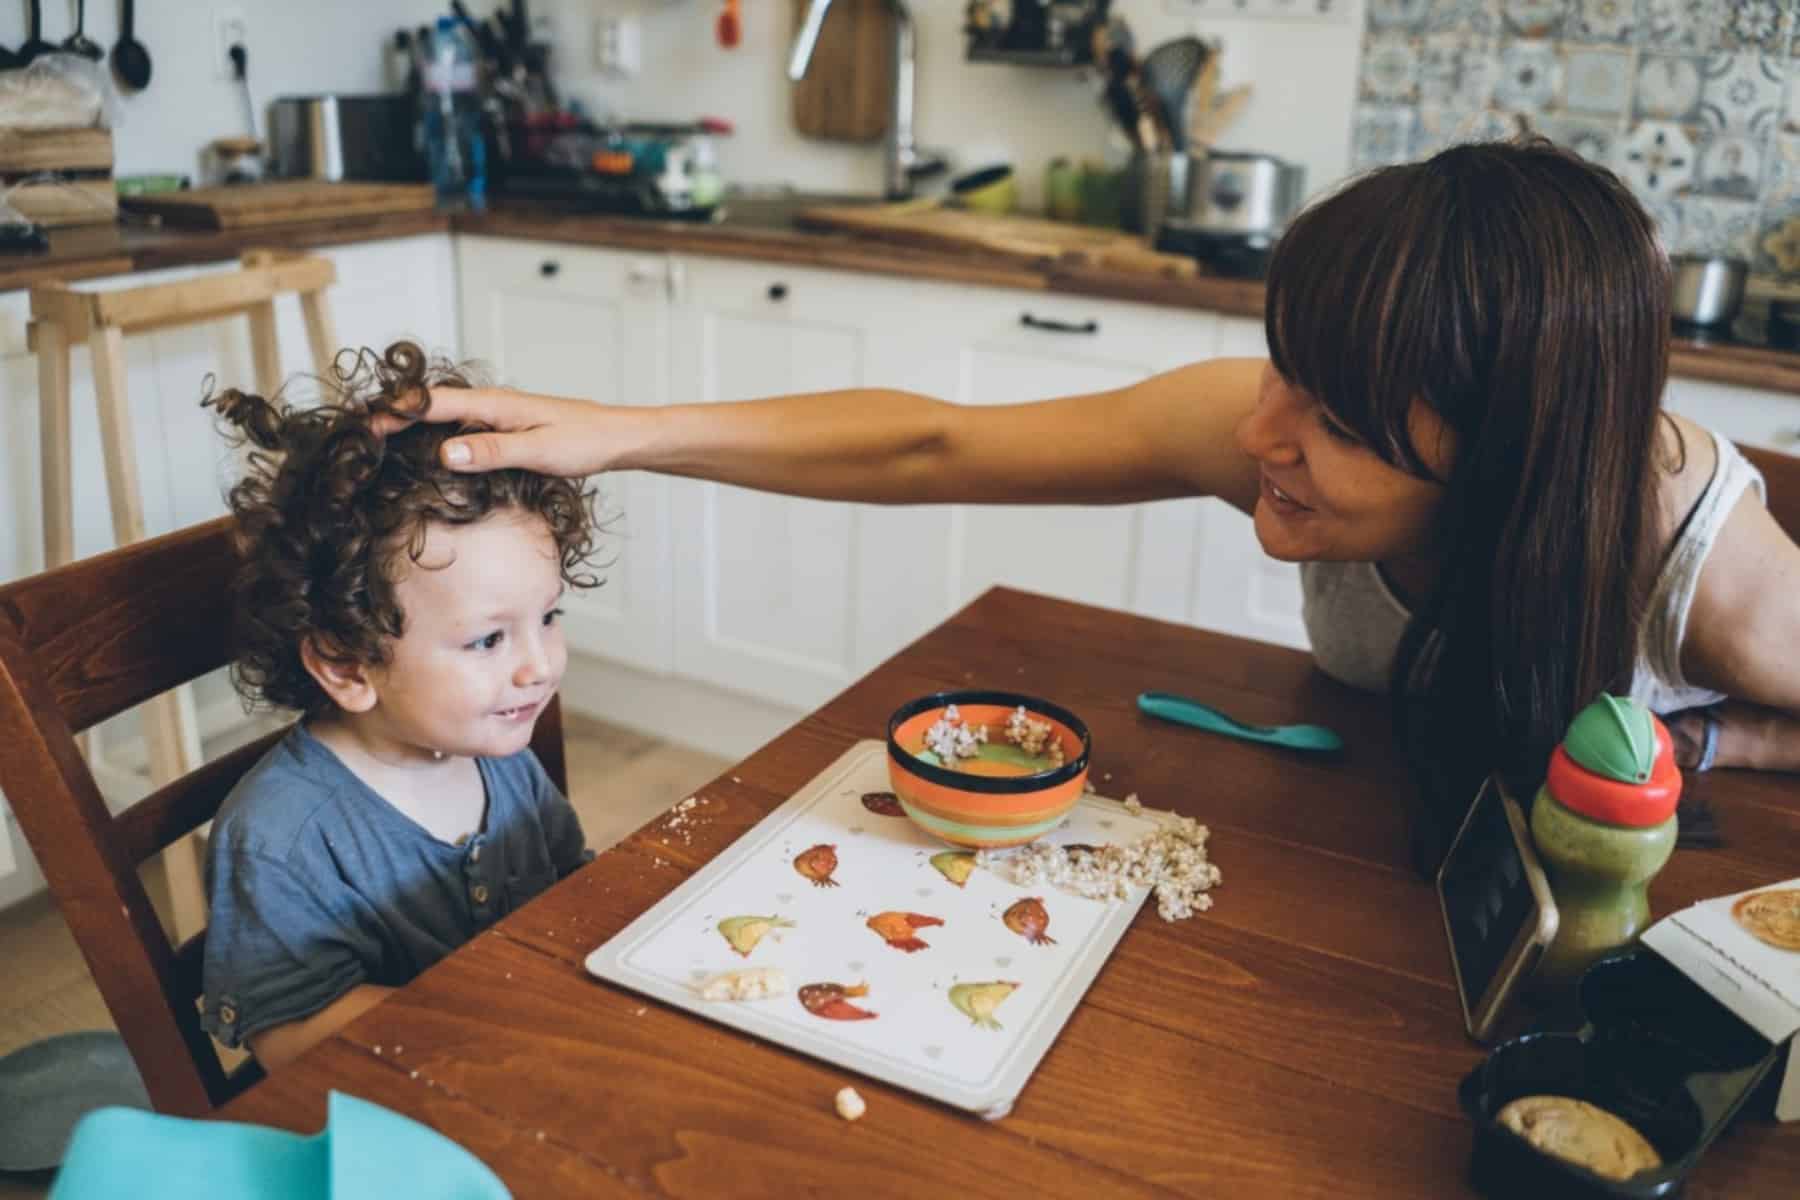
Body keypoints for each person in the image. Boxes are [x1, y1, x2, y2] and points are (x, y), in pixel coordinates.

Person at [390, 139, 1800, 873]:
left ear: (1499, 464)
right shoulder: (1269, 424)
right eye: (1280, 372)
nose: (1259, 435)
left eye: (1333, 424)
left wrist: (1728, 737)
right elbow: (935, 446)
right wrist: (624, 434)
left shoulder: (1701, 569)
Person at [200, 343, 598, 1070]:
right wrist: (496, 1015)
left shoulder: (496, 755)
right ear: (347, 664)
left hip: (531, 1063)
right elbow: (290, 1035)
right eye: (487, 641)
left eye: (548, 616)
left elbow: (576, 890)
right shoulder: (282, 837)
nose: (539, 666)